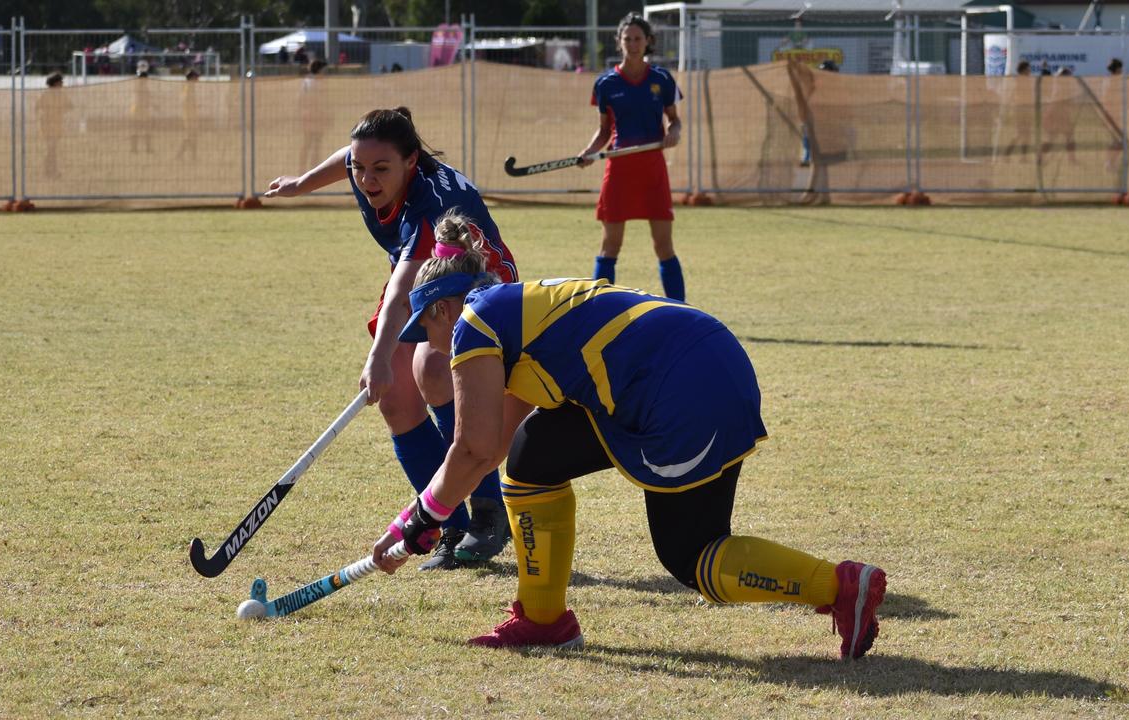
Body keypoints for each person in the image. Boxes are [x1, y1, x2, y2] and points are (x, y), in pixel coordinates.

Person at [379, 212, 888, 658]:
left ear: (442, 307)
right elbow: (496, 447)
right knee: (534, 457)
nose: (432, 344)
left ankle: (840, 586)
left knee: (692, 554)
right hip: (702, 362)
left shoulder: (472, 323)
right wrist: (428, 516)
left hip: (682, 389)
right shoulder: (510, 310)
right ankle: (542, 619)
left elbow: (473, 448)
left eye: (426, 328)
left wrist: (419, 517)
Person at [264, 108, 518, 569]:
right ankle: (446, 524)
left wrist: (379, 357)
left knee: (432, 371)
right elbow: (347, 155)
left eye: (380, 169)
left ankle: (487, 513)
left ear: (411, 161)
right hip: (423, 273)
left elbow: (402, 292)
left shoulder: (430, 205)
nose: (366, 179)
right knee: (397, 401)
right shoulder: (366, 163)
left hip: (479, 278)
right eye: (361, 169)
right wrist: (301, 183)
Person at [577, 13, 685, 302]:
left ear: (648, 41)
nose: (633, 44)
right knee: (610, 246)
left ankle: (681, 309)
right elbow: (603, 131)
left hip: (652, 170)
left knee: (664, 246)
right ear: (619, 42)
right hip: (619, 171)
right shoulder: (606, 84)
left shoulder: (662, 79)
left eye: (638, 39)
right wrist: (588, 152)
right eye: (627, 39)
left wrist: (675, 132)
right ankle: (598, 310)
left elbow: (675, 121)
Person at [37, 72, 72, 179]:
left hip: (57, 124)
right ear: (55, 83)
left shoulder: (61, 94)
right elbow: (38, 106)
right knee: (51, 148)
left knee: (52, 149)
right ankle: (51, 171)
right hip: (47, 124)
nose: (62, 83)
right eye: (61, 81)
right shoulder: (46, 94)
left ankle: (50, 171)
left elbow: (70, 106)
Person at [176, 69, 200, 161]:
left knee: (191, 136)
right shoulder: (188, 88)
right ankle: (186, 155)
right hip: (189, 116)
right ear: (192, 78)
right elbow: (185, 101)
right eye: (196, 76)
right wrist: (192, 107)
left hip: (190, 115)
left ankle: (187, 155)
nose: (198, 78)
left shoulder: (189, 87)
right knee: (190, 136)